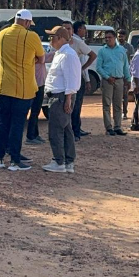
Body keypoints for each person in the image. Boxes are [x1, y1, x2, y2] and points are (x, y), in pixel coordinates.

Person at [0, 10, 45, 171]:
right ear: (27, 22)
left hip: (3, 86)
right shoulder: (31, 36)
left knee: (3, 122)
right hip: (23, 87)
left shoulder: (2, 34)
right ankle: (14, 160)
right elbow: (41, 58)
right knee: (17, 124)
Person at [41, 26, 81, 173]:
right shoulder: (61, 53)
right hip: (60, 96)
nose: (50, 40)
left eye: (52, 37)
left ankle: (59, 161)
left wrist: (68, 98)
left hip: (61, 96)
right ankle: (68, 161)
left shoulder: (68, 55)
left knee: (56, 130)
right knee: (65, 128)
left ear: (60, 38)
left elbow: (71, 78)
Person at [65, 21, 97, 141]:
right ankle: (67, 132)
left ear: (73, 30)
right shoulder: (58, 42)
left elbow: (91, 56)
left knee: (75, 106)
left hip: (76, 79)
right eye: (64, 28)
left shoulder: (77, 42)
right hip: (64, 79)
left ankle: (75, 132)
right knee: (65, 106)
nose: (66, 31)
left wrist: (82, 70)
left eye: (68, 28)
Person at [96, 30, 130, 136]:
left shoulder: (122, 50)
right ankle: (108, 128)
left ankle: (117, 127)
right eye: (106, 37)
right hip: (107, 81)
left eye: (109, 37)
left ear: (115, 38)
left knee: (118, 104)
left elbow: (125, 66)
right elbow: (98, 67)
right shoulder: (102, 51)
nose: (107, 39)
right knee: (106, 104)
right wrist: (107, 77)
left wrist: (128, 79)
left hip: (119, 80)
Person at [25, 42, 48, 145]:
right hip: (35, 85)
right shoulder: (35, 57)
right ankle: (30, 136)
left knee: (36, 111)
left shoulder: (38, 56)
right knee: (34, 111)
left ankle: (34, 134)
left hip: (38, 84)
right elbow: (45, 58)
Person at [118, 29, 135, 118]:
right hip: (116, 73)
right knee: (116, 95)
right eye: (119, 36)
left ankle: (124, 112)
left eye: (122, 36)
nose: (120, 38)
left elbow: (132, 60)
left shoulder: (129, 47)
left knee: (125, 94)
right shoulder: (114, 46)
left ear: (125, 37)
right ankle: (117, 112)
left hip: (125, 73)